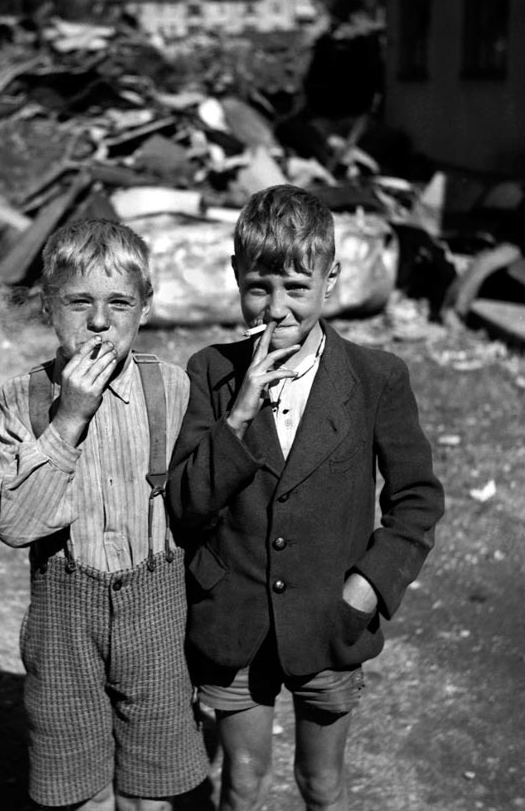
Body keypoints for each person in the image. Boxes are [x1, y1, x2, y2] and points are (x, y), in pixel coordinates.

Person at [166, 185, 445, 811]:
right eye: (259, 287)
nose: (277, 308)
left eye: (296, 287)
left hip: (329, 617)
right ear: (236, 276)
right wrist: (236, 418)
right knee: (242, 782)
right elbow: (185, 506)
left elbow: (417, 499)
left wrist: (368, 586)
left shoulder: (376, 378)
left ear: (331, 281)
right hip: (233, 613)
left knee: (322, 783)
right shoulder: (209, 372)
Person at [0, 219, 209, 811]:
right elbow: (13, 522)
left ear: (146, 308)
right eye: (79, 303)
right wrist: (69, 419)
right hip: (63, 618)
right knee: (80, 791)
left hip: (157, 610)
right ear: (48, 308)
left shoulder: (172, 389)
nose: (99, 322)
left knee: (150, 792)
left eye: (118, 303)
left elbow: (208, 501)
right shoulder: (20, 400)